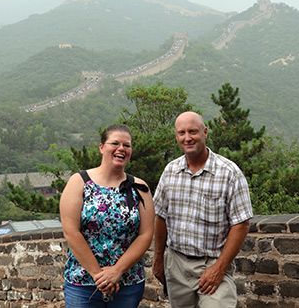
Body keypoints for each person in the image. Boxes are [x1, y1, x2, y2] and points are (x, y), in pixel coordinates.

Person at [152, 111, 253, 308]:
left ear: (205, 132)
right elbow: (160, 217)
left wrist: (219, 268)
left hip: (213, 261)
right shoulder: (170, 171)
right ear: (176, 136)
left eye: (193, 131)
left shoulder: (228, 172)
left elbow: (241, 224)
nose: (187, 138)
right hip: (177, 264)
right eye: (182, 133)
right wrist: (158, 260)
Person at [60, 124, 155, 308]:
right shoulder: (79, 182)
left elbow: (146, 234)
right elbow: (71, 231)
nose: (121, 149)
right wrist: (100, 276)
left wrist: (117, 271)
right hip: (83, 282)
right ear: (102, 147)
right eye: (115, 143)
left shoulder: (139, 187)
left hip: (127, 283)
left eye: (126, 145)